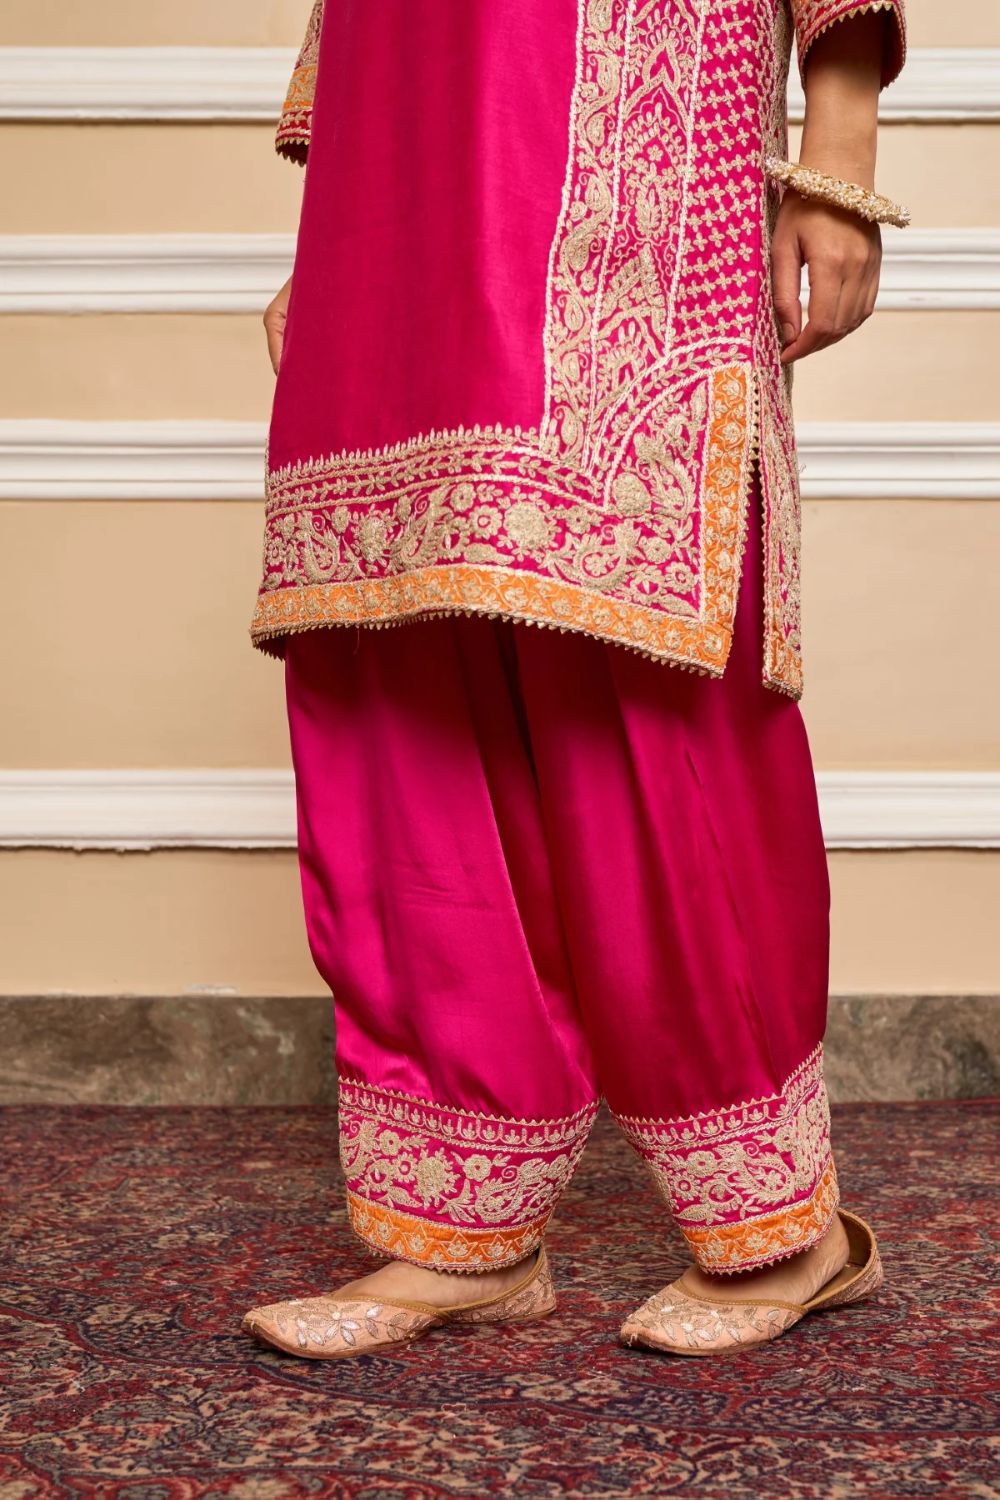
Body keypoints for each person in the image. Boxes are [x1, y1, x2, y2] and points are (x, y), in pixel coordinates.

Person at [241, 0, 909, 1359]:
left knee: (649, 678)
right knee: (399, 684)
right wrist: (339, 228)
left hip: (635, 154)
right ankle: (465, 1235)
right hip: (401, 204)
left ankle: (784, 1231)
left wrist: (838, 159)